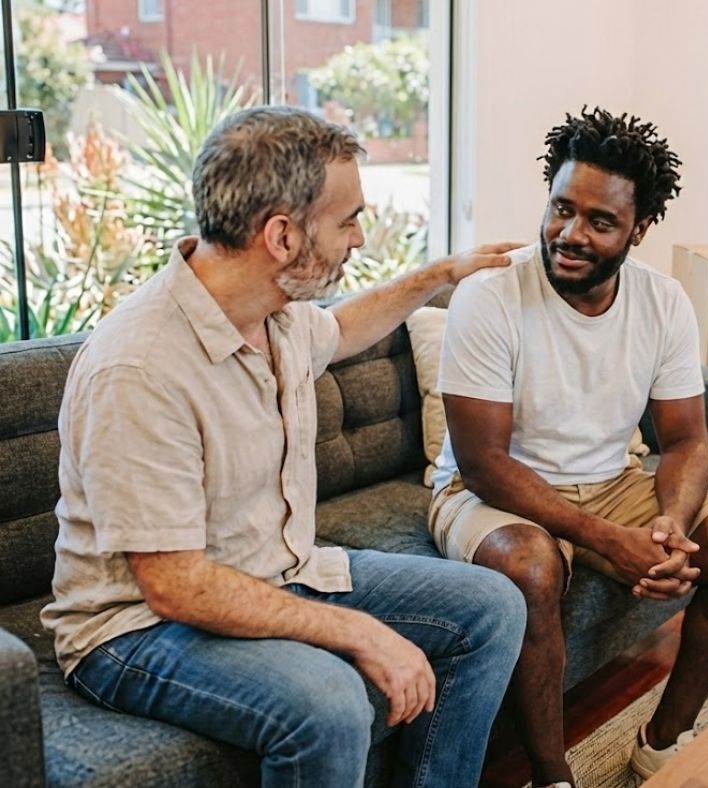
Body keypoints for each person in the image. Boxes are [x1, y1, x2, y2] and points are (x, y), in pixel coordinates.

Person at [40, 106, 528, 788]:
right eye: (348, 220)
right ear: (281, 235)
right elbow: (175, 585)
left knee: (492, 608)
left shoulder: (278, 315)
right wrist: (358, 632)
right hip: (135, 628)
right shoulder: (140, 367)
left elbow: (345, 329)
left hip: (275, 570)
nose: (360, 238)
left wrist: (441, 274)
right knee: (328, 704)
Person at [428, 107, 708, 787]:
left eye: (600, 221)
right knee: (530, 569)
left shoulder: (663, 302)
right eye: (562, 209)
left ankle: (662, 741)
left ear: (638, 228)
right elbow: (484, 463)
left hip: (611, 482)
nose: (570, 234)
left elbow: (686, 438)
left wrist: (670, 528)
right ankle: (553, 776)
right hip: (489, 493)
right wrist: (610, 541)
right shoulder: (489, 297)